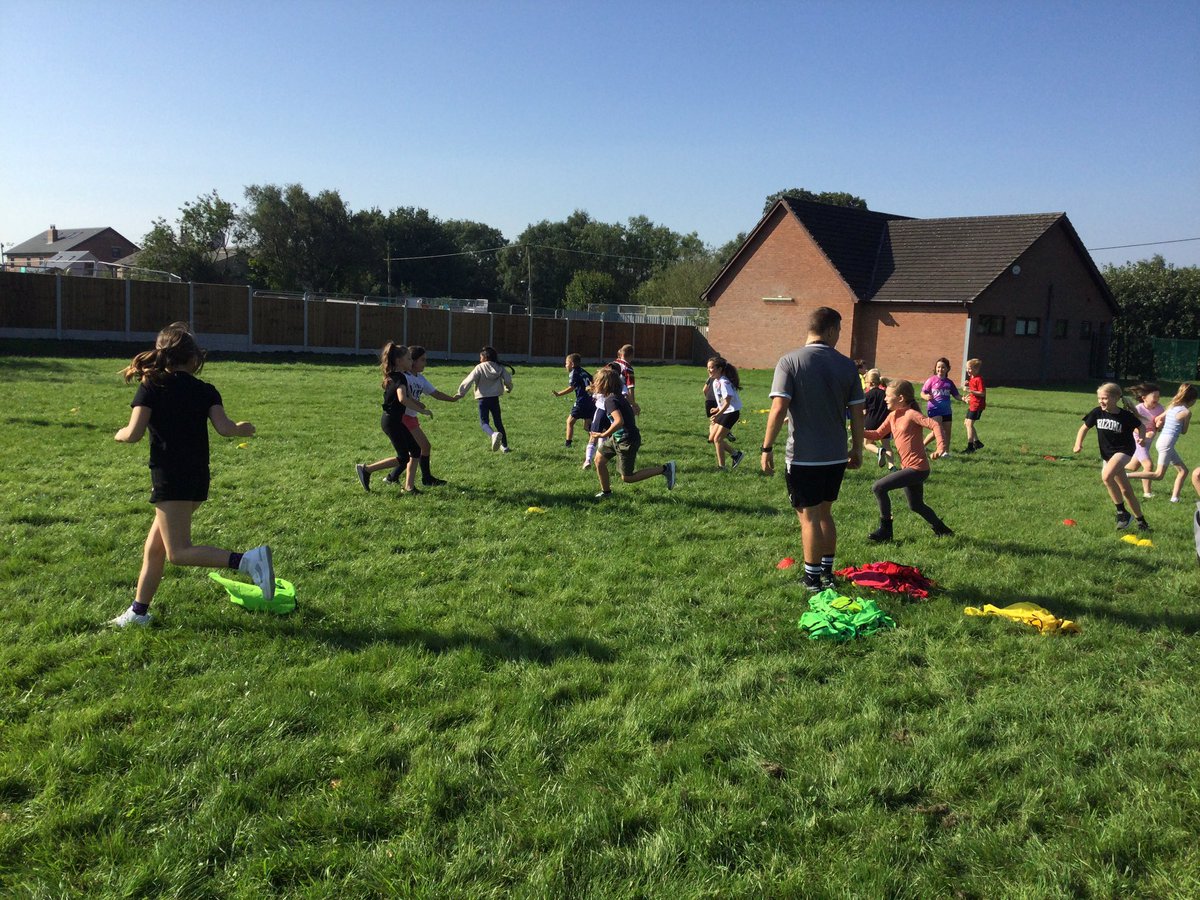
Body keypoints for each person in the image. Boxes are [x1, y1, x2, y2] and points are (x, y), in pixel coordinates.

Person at [110, 322, 274, 627]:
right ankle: (138, 612)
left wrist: (118, 433)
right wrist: (240, 429)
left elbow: (133, 434)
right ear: (193, 358)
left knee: (179, 552)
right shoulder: (205, 390)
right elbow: (225, 428)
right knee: (155, 548)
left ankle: (247, 560)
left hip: (171, 478)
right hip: (197, 477)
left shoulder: (151, 387)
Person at [761, 306, 865, 592]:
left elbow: (778, 407)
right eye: (839, 332)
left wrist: (766, 448)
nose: (839, 337)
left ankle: (812, 580)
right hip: (835, 456)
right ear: (830, 330)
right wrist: (857, 449)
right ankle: (828, 574)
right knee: (825, 514)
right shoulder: (847, 366)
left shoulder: (789, 361)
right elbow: (858, 413)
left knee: (808, 518)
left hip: (804, 457)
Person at [862, 379, 953, 540]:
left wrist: (941, 448)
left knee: (878, 487)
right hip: (908, 468)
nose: (885, 399)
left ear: (901, 398)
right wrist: (858, 430)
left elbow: (935, 425)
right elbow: (877, 434)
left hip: (918, 469)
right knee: (916, 505)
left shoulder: (911, 414)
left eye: (888, 396)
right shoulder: (892, 416)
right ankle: (943, 530)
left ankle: (886, 530)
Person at [1073, 382, 1150, 531]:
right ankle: (1142, 522)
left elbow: (1141, 426)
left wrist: (1142, 437)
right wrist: (1078, 444)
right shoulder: (1097, 413)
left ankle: (1122, 513)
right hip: (1108, 455)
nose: (1101, 401)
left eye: (1105, 398)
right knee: (1126, 491)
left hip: (1124, 451)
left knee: (1106, 476)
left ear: (1116, 398)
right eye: (1099, 398)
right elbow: (1084, 428)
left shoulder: (1125, 416)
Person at [589, 366, 676, 498]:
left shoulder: (610, 401)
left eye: (597, 381)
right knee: (599, 460)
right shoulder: (615, 397)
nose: (595, 384)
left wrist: (604, 434)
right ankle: (606, 493)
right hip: (618, 438)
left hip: (627, 440)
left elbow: (619, 421)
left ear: (604, 384)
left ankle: (665, 469)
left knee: (627, 478)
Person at [356, 342, 429, 494]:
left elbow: (407, 396)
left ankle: (409, 487)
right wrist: (421, 411)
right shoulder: (400, 378)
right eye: (408, 359)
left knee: (415, 449)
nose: (411, 362)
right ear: (398, 361)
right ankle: (366, 469)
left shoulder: (396, 376)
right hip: (391, 422)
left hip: (395, 420)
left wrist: (419, 404)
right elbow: (402, 399)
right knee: (403, 458)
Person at [386, 346, 459, 488]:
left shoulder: (420, 379)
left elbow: (435, 394)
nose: (425, 363)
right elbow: (403, 396)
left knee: (416, 450)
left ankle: (393, 477)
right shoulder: (404, 377)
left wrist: (453, 399)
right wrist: (419, 407)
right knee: (419, 449)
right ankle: (423, 479)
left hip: (412, 418)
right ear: (412, 361)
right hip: (404, 418)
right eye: (422, 360)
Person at [1126, 382, 1197, 502]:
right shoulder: (1186, 412)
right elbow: (1184, 431)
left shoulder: (1172, 406)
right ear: (1192, 400)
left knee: (1183, 470)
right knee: (1158, 475)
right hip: (1167, 444)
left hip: (1162, 442)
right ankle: (1124, 476)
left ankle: (1175, 498)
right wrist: (1186, 419)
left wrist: (1160, 424)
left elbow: (1158, 418)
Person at [457, 346, 513, 452]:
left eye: (480, 357)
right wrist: (508, 388)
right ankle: (505, 446)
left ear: (485, 357)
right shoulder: (499, 367)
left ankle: (493, 434)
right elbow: (508, 379)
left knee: (484, 423)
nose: (479, 359)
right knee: (498, 422)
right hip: (494, 399)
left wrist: (461, 393)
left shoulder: (479, 367)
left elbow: (468, 380)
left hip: (483, 399)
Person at [552, 353, 600, 467]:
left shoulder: (574, 373)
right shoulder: (584, 371)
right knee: (587, 427)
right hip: (591, 402)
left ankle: (568, 444)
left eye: (566, 363)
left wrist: (559, 394)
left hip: (581, 402)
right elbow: (594, 381)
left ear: (572, 364)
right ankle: (596, 443)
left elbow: (572, 387)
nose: (565, 365)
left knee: (570, 422)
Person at [1125, 382, 1163, 498]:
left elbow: (1159, 428)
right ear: (1144, 398)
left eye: (1158, 396)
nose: (1157, 399)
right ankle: (1147, 493)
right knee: (1148, 465)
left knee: (1133, 466)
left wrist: (1159, 425)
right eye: (1154, 397)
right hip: (1138, 440)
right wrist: (1144, 434)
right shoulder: (1138, 409)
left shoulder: (1160, 408)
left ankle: (1113, 468)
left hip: (1148, 441)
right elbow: (1132, 427)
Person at [707, 356, 745, 469]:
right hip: (724, 411)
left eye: (712, 367)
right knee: (711, 439)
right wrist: (717, 409)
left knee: (718, 439)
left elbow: (728, 402)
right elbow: (723, 400)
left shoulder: (724, 382)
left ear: (719, 369)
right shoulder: (715, 382)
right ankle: (736, 454)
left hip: (732, 412)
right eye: (708, 367)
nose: (709, 370)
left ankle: (722, 467)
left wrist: (718, 414)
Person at [920, 357, 959, 457]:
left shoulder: (949, 383)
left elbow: (956, 395)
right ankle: (928, 448)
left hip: (947, 411)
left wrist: (963, 399)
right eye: (938, 367)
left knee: (947, 431)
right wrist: (926, 396)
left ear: (947, 369)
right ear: (935, 368)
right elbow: (922, 393)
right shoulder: (931, 380)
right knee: (938, 430)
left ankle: (945, 452)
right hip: (934, 409)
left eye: (943, 367)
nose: (940, 369)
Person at [863, 368, 895, 470]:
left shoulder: (867, 395)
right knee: (887, 445)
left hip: (871, 422)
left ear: (871, 383)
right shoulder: (885, 394)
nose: (865, 384)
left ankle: (878, 451)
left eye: (866, 382)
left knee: (867, 443)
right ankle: (892, 466)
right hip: (884, 423)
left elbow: (863, 412)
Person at [961, 358, 987, 453]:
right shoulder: (972, 378)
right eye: (967, 368)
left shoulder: (979, 379)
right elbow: (973, 390)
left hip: (977, 405)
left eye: (970, 368)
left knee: (969, 424)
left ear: (976, 369)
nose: (967, 370)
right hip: (972, 404)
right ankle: (977, 442)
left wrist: (970, 390)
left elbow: (982, 393)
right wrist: (968, 385)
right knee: (966, 423)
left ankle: (970, 447)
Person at [612, 344, 639, 415]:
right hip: (620, 398)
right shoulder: (628, 368)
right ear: (631, 355)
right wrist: (632, 405)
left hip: (605, 397)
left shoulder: (612, 364)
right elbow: (630, 387)